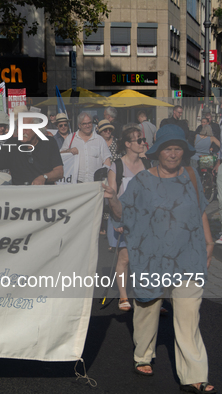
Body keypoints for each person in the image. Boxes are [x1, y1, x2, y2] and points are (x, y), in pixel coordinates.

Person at [105, 124, 215, 393]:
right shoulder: (142, 181)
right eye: (168, 148)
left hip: (188, 255)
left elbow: (199, 210)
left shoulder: (191, 175)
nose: (173, 154)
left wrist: (209, 241)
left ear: (184, 151)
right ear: (158, 152)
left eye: (178, 148)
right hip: (150, 256)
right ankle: (143, 355)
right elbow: (123, 214)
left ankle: (194, 375)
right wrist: (112, 200)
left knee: (189, 318)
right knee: (147, 310)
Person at [106, 125, 151, 311]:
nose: (143, 143)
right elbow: (112, 197)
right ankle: (123, 296)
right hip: (122, 218)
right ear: (127, 144)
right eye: (139, 140)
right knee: (124, 257)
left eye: (143, 140)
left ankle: (150, 297)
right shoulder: (116, 166)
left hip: (143, 220)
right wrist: (119, 221)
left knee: (147, 258)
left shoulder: (147, 165)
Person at [0, 117, 63, 185]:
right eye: (19, 128)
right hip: (19, 198)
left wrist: (44, 177)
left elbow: (59, 172)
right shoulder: (12, 143)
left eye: (25, 128)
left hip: (44, 196)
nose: (20, 132)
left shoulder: (49, 143)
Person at [61, 112, 112, 183]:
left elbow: (107, 161)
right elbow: (61, 156)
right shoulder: (70, 138)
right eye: (84, 124)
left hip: (95, 182)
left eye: (89, 123)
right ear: (79, 125)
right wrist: (68, 151)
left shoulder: (99, 140)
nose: (87, 126)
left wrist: (102, 177)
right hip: (76, 182)